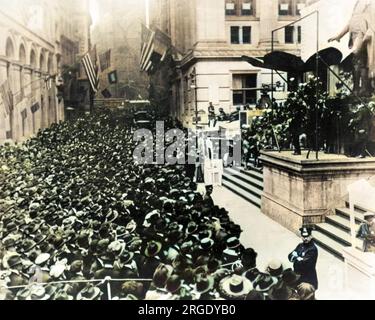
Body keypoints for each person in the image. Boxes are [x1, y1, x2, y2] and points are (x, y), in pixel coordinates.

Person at [329, 0, 375, 97]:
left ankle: (362, 89)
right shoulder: (357, 3)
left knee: (358, 60)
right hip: (355, 36)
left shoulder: (370, 2)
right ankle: (358, 89)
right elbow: (351, 22)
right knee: (359, 62)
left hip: (363, 35)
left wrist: (369, 33)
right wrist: (338, 35)